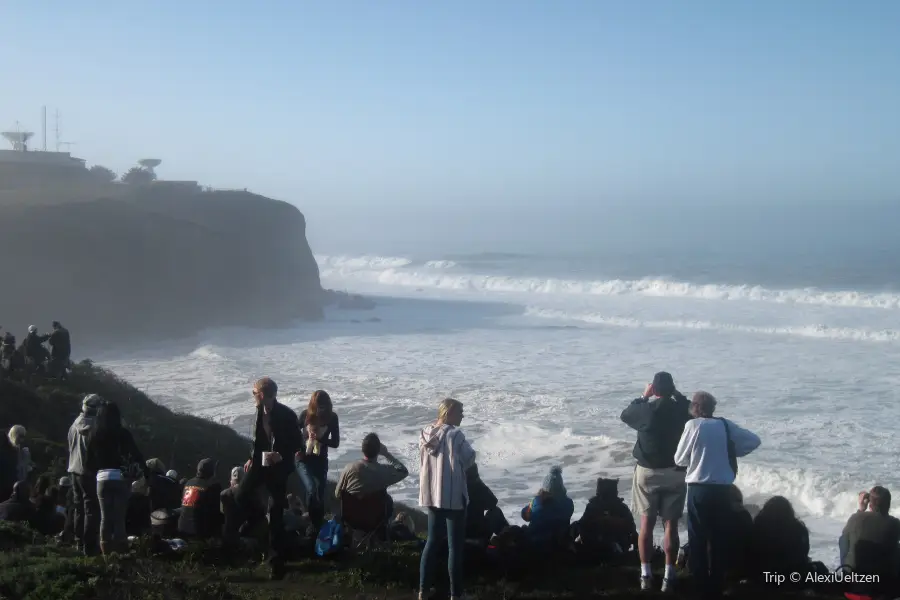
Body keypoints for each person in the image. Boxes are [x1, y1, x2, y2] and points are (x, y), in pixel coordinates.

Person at [674, 391, 760, 600]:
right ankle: (717, 583)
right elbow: (753, 441)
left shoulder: (692, 426)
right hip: (723, 489)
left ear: (694, 407)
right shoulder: (724, 424)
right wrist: (731, 450)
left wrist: (694, 460)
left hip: (698, 487)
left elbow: (679, 458)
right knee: (719, 537)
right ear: (713, 407)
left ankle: (700, 583)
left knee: (698, 537)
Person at [620, 372, 691, 592]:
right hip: (675, 471)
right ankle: (669, 576)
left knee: (646, 525)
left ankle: (646, 574)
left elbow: (625, 414)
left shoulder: (646, 410)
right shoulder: (682, 410)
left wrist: (644, 395)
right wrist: (675, 393)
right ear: (671, 390)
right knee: (671, 525)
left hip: (648, 472)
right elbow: (690, 406)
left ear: (655, 391)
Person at [229, 377, 301, 580]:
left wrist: (282, 455)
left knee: (276, 509)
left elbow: (298, 443)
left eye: (254, 393)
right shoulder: (258, 412)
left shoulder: (287, 415)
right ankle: (257, 519)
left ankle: (276, 561)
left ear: (261, 395)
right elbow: (258, 440)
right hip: (260, 463)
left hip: (278, 467)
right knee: (241, 494)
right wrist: (251, 459)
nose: (252, 396)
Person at [418, 398, 476, 600]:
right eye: (460, 411)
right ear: (449, 412)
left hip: (432, 494)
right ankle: (456, 595)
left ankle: (423, 591)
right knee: (455, 547)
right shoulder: (455, 434)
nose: (462, 415)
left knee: (431, 542)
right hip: (452, 497)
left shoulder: (425, 432)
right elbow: (469, 458)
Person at [85, 401, 148, 555]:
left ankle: (106, 553)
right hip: (120, 477)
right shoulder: (123, 433)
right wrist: (144, 471)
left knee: (105, 518)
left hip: (102, 479)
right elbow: (136, 454)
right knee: (119, 518)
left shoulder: (94, 433)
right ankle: (121, 553)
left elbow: (88, 463)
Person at [335, 433, 408, 516]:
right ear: (378, 451)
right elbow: (404, 471)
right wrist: (386, 454)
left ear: (362, 450)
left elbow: (338, 494)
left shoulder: (349, 468)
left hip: (351, 520)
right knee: (388, 501)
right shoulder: (384, 471)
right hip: (375, 523)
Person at [297, 390, 340, 531]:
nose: (320, 410)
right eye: (318, 406)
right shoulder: (305, 415)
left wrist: (319, 439)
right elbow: (293, 433)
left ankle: (317, 525)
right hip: (303, 458)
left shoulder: (332, 418)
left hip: (320, 459)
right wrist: (299, 445)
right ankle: (310, 519)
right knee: (311, 488)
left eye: (323, 407)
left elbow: (335, 442)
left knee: (320, 491)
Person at [68, 393, 103, 555]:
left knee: (79, 508)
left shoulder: (75, 423)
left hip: (73, 470)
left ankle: (78, 542)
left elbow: (70, 445)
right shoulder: (95, 427)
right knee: (91, 509)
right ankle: (89, 546)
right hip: (88, 473)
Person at [840, 486, 900, 578]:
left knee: (844, 538)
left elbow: (845, 535)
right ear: (888, 505)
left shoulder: (855, 518)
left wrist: (861, 510)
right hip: (884, 581)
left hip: (854, 579)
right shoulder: (895, 523)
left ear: (870, 505)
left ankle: (845, 574)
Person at [572, 477, 637, 559]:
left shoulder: (593, 506)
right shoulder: (621, 507)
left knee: (577, 525)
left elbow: (581, 525)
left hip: (595, 546)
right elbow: (632, 529)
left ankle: (569, 547)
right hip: (615, 545)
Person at [751, 496, 810, 576]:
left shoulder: (758, 528)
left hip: (763, 577)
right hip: (794, 576)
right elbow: (803, 553)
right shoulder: (798, 529)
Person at [521, 465, 575, 548]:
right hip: (558, 545)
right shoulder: (569, 503)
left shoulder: (537, 502)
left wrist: (538, 498)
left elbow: (525, 515)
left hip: (536, 545)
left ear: (545, 488)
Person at [178, 458, 223, 539]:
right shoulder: (213, 486)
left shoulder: (188, 483)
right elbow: (215, 511)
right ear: (211, 471)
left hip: (182, 528)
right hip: (198, 532)